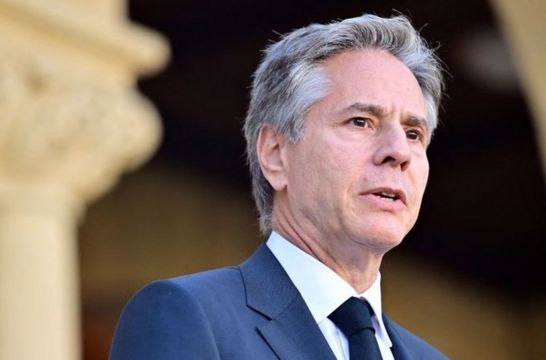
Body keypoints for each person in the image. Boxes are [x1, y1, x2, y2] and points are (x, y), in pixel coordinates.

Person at [110, 14, 446, 360]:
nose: (399, 151)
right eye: (361, 121)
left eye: (413, 133)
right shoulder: (186, 315)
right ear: (275, 153)